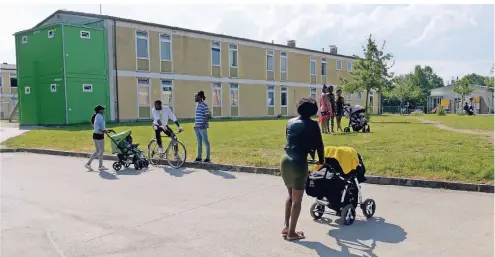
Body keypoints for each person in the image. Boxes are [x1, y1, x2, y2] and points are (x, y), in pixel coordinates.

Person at [280, 98, 324, 241]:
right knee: (297, 200)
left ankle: (287, 227)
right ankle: (292, 233)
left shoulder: (290, 122)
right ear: (313, 111)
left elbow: (290, 139)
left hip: (285, 160)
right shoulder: (313, 125)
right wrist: (321, 160)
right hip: (299, 163)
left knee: (290, 196)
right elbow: (319, 145)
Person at [85, 105, 113, 171]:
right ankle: (100, 166)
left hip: (96, 135)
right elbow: (97, 127)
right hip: (99, 135)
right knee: (101, 151)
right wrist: (104, 130)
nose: (103, 110)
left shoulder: (98, 116)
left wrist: (107, 130)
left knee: (97, 151)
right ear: (99, 110)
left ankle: (88, 164)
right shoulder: (99, 116)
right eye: (102, 109)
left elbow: (100, 127)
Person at [194, 91, 211, 163]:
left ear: (199, 97)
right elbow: (198, 117)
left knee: (206, 142)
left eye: (196, 96)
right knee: (199, 142)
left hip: (202, 127)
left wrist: (203, 125)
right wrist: (195, 125)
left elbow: (208, 116)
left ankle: (207, 158)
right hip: (197, 127)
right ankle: (199, 157)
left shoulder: (204, 105)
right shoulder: (197, 105)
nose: (194, 97)